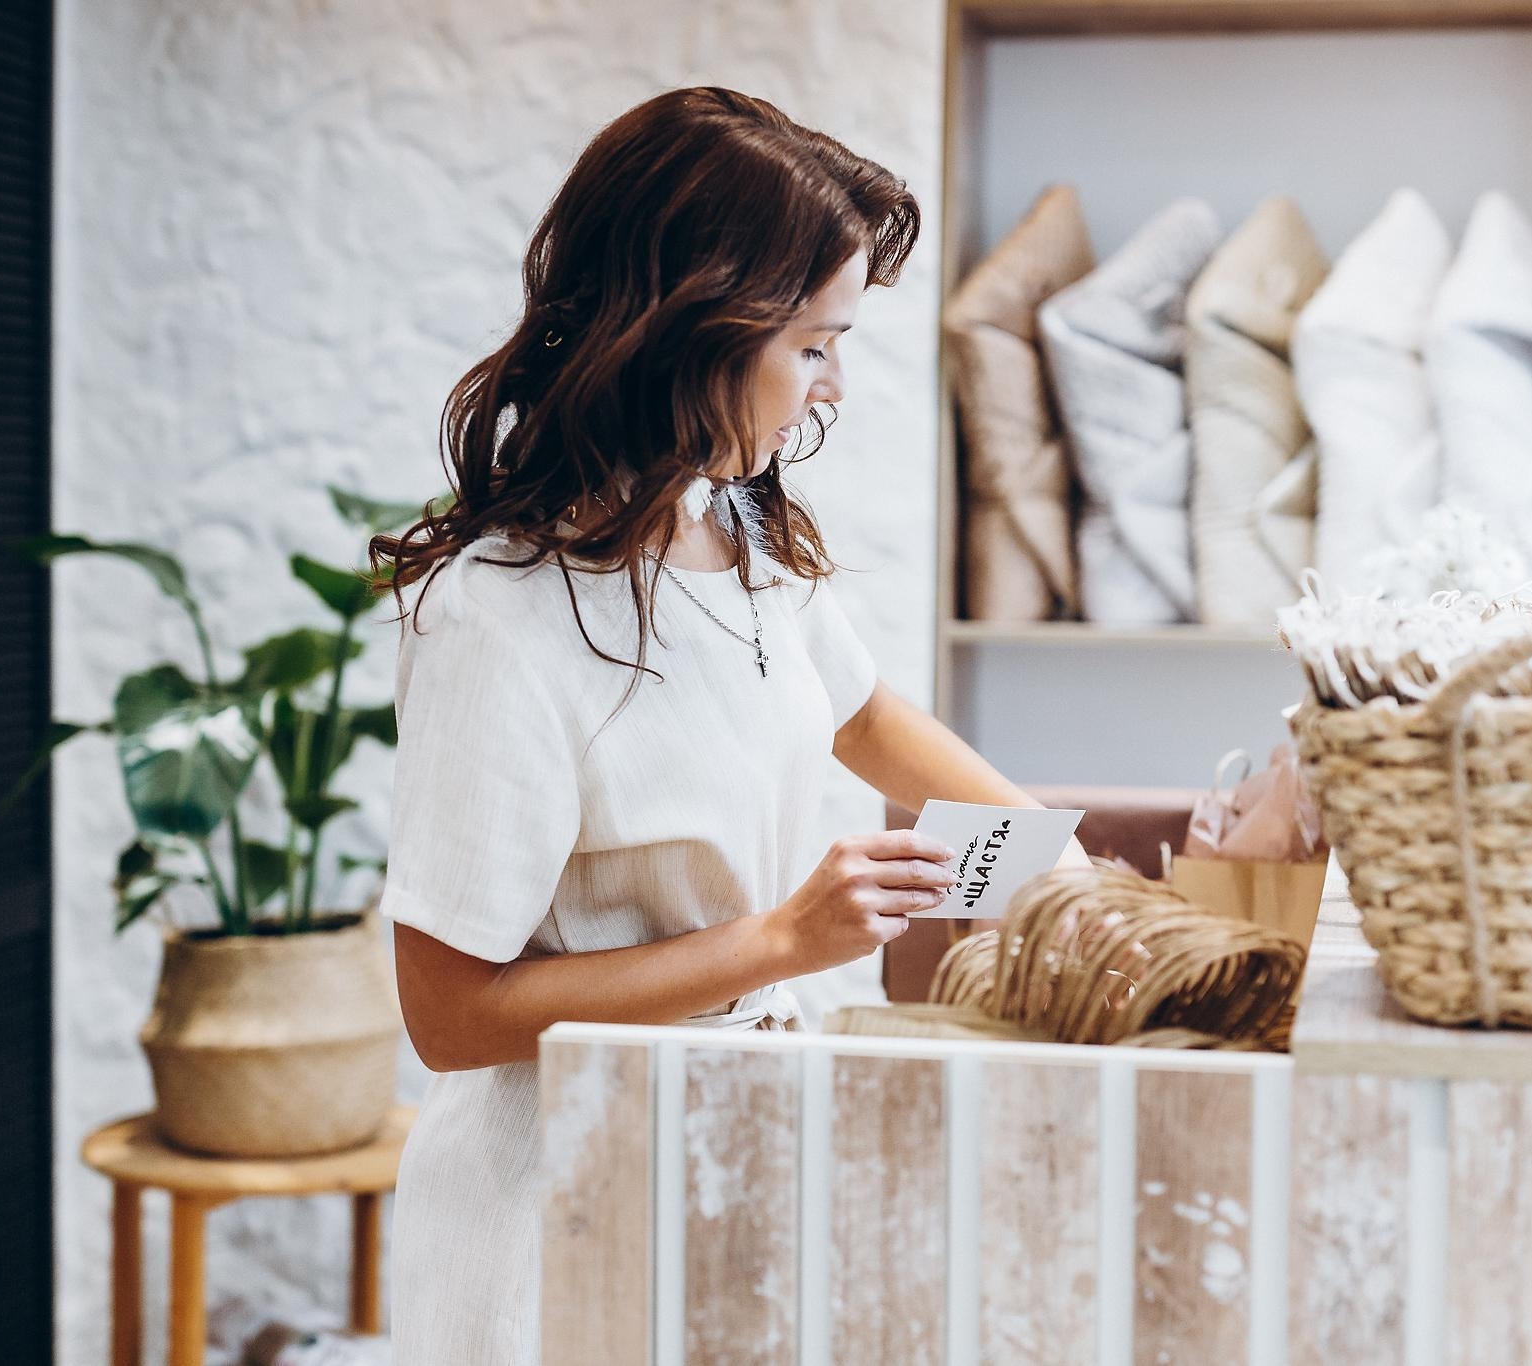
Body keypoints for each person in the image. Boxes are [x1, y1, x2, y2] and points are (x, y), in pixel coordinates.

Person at [365, 86, 1088, 1363]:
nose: (834, 388)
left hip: (735, 1151)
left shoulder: (732, 527)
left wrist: (1055, 865)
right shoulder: (499, 620)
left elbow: (862, 716)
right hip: (558, 1224)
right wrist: (780, 938)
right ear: (690, 329)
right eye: (812, 345)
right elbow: (448, 1014)